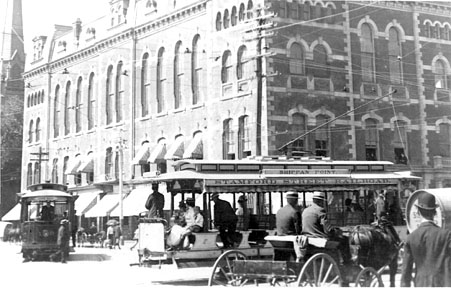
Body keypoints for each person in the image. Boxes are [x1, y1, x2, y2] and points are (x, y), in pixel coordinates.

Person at [401, 192, 451, 287]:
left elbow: (406, 271)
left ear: (418, 212)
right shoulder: (446, 235)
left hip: (421, 284)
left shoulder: (411, 238)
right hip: (442, 284)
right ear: (435, 213)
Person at [302, 191, 351, 264]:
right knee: (344, 240)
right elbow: (328, 229)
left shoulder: (305, 211)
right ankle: (346, 263)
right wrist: (337, 231)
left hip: (307, 239)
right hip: (318, 239)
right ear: (320, 201)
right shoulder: (320, 210)